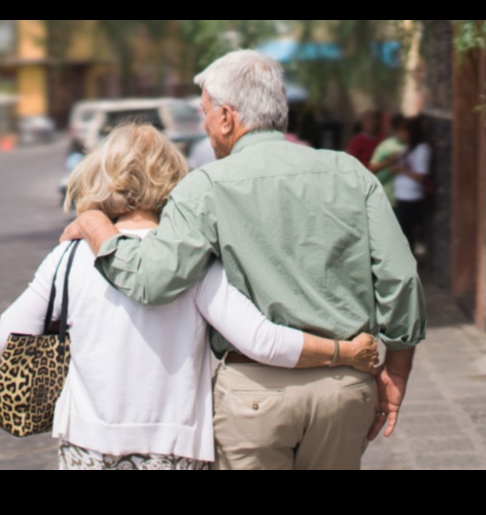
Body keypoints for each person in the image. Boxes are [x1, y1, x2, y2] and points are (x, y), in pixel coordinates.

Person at [61, 51, 427, 471]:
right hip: (343, 391)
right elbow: (400, 278)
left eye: (204, 112)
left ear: (226, 117)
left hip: (253, 393)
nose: (204, 125)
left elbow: (152, 280)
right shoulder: (350, 172)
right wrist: (396, 370)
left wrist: (94, 225)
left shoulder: (205, 188)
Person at [0, 123, 380, 471]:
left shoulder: (68, 256)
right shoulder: (192, 262)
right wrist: (343, 353)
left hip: (87, 442)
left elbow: (7, 339)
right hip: (173, 447)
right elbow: (261, 340)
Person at [392, 117, 431, 252]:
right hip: (401, 195)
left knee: (407, 232)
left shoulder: (422, 149)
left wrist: (403, 170)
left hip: (412, 197)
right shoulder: (407, 148)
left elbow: (421, 176)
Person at [368, 114, 407, 206]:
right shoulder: (386, 146)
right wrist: (389, 162)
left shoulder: (412, 147)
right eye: (401, 129)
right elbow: (372, 168)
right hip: (387, 197)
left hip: (405, 198)